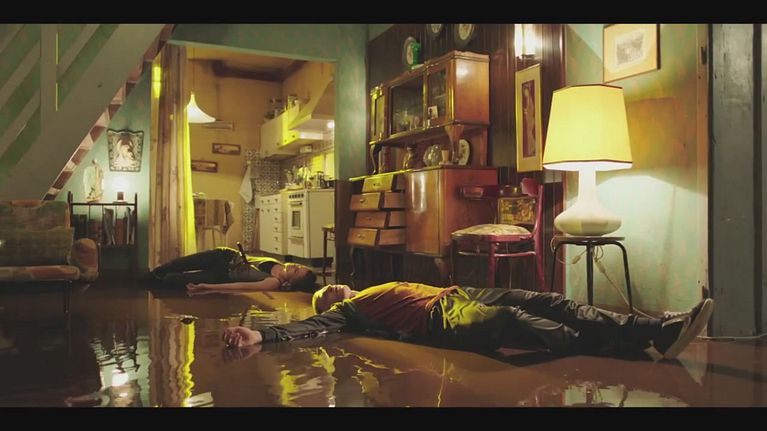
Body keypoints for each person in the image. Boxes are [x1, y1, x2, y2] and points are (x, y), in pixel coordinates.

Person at [222, 281, 714, 361]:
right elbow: (311, 327)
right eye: (324, 297)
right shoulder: (347, 311)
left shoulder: (366, 288)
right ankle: (633, 348)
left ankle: (652, 329)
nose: (331, 292)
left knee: (547, 300)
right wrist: (261, 333)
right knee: (513, 318)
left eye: (330, 289)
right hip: (440, 315)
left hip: (458, 292)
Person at [151, 246, 318, 293]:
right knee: (177, 264)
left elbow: (240, 286)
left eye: (297, 271)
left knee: (172, 279)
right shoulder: (278, 262)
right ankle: (150, 275)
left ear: (290, 282)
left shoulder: (273, 282)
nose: (296, 266)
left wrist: (206, 287)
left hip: (222, 275)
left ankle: (155, 281)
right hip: (224, 256)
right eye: (299, 266)